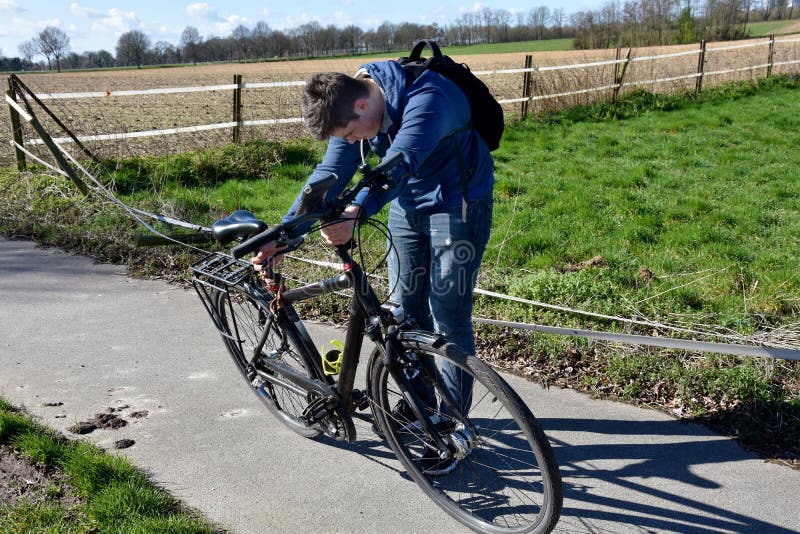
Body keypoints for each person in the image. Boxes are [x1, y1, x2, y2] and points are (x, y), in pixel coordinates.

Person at [252, 59, 494, 436]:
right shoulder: (351, 109)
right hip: (406, 205)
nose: (352, 142)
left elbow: (399, 166)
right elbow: (328, 176)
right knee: (404, 311)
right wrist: (283, 234)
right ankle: (420, 406)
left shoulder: (430, 98)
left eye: (351, 134)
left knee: (448, 310)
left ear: (362, 106)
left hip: (456, 205)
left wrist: (356, 212)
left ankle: (454, 423)